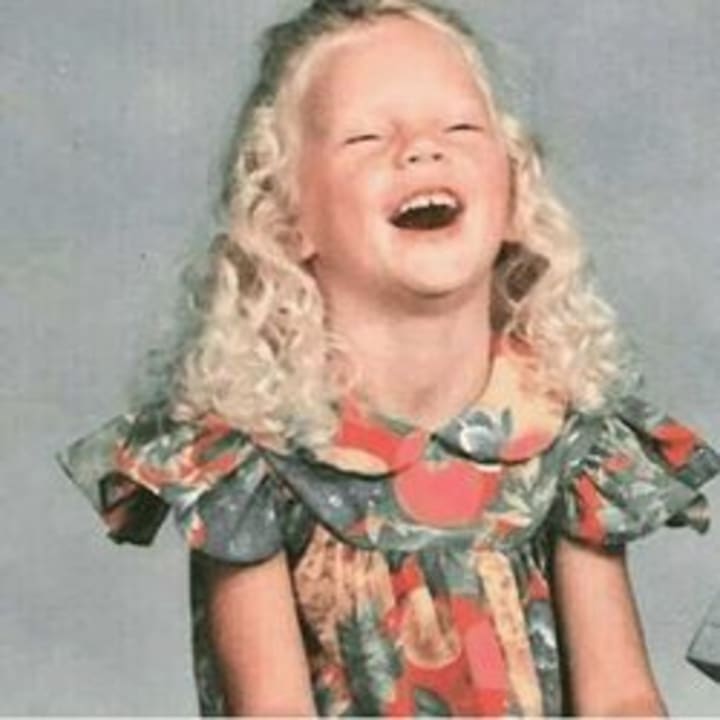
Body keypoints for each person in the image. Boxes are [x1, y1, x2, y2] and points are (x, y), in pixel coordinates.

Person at [56, 0, 720, 716]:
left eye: (460, 128)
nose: (422, 149)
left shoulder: (565, 434)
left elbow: (621, 701)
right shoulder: (250, 462)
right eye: (367, 136)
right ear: (286, 218)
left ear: (515, 194)